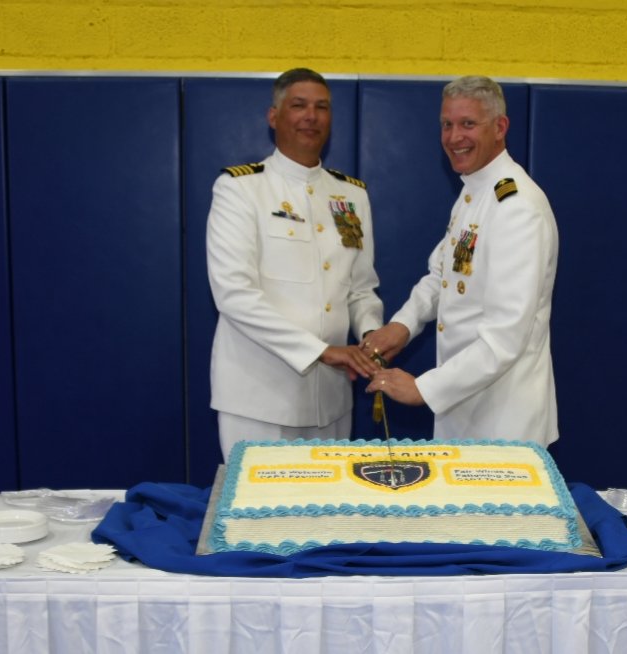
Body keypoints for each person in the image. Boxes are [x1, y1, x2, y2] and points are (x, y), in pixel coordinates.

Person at [364, 75, 559, 447]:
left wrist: (423, 387)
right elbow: (444, 274)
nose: (454, 137)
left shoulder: (516, 207)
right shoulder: (473, 192)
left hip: (504, 421)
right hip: (463, 408)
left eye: (468, 124)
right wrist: (403, 325)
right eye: (447, 124)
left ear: (500, 127)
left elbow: (504, 337)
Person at [206, 68, 384, 461]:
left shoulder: (350, 196)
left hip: (332, 402)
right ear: (274, 116)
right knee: (260, 519)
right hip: (259, 399)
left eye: (322, 107)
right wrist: (322, 350)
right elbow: (234, 296)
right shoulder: (240, 189)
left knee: (327, 517)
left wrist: (371, 334)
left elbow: (360, 288)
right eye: (299, 105)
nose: (311, 116)